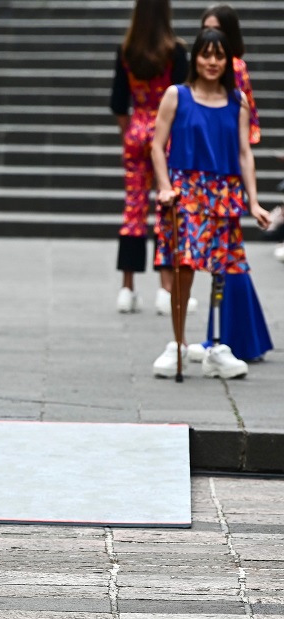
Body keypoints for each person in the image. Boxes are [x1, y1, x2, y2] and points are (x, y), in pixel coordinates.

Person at [151, 28, 271, 379]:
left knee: (224, 268)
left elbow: (245, 153)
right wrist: (164, 186)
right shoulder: (177, 95)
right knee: (184, 265)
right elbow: (157, 145)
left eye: (219, 55)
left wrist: (253, 202)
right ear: (196, 58)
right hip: (186, 191)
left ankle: (217, 346)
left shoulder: (237, 102)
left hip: (224, 192)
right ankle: (178, 342)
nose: (212, 62)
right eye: (206, 54)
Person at [183, 5, 273, 364]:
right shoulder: (195, 83)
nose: (211, 39)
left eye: (218, 31)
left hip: (222, 174)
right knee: (229, 260)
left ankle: (227, 340)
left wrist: (251, 196)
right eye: (205, 30)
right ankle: (236, 339)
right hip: (204, 177)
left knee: (229, 260)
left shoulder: (233, 73)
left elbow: (245, 131)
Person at [109, 0, 189, 314]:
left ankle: (127, 288)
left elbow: (119, 103)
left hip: (136, 130)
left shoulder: (126, 51)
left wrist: (129, 134)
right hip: (166, 135)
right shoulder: (175, 51)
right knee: (166, 207)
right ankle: (165, 289)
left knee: (133, 209)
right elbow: (183, 98)